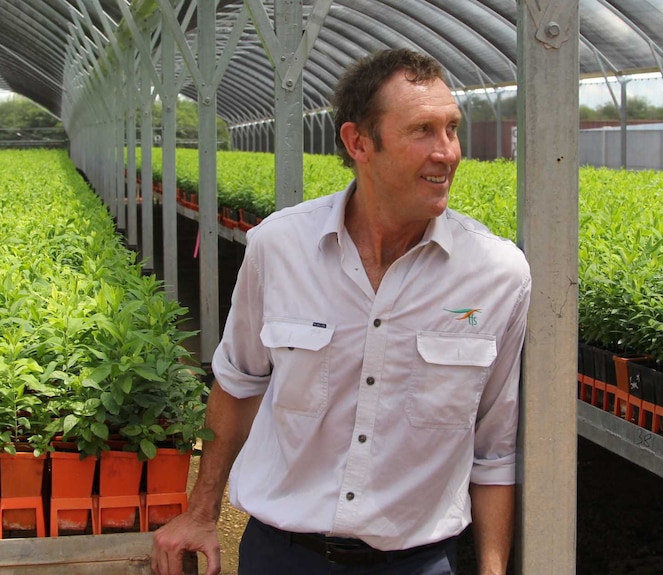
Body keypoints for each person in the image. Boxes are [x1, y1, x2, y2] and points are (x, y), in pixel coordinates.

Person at [151, 48, 531, 575]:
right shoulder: (278, 247)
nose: (447, 152)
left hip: (418, 564)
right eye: (422, 130)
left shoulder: (496, 273)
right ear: (358, 143)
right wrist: (200, 513)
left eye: (451, 128)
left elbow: (494, 447)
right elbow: (238, 384)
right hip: (283, 557)